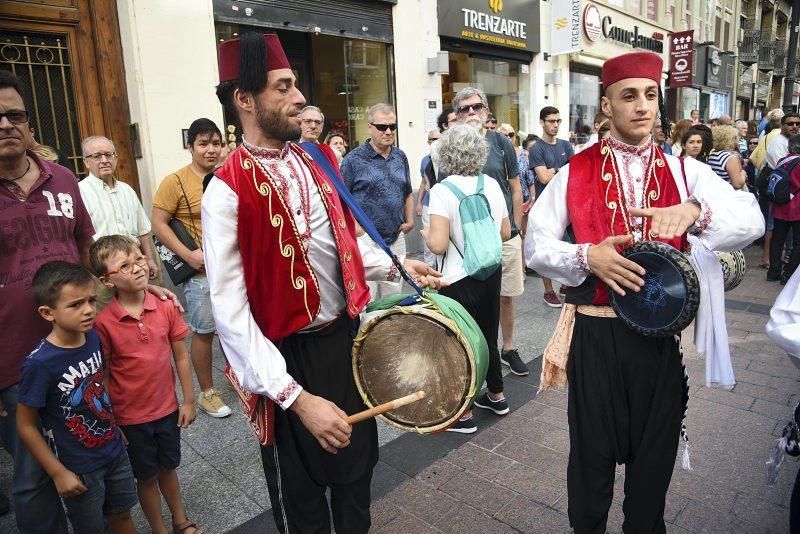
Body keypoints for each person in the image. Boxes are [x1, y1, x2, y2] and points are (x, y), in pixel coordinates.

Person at [206, 32, 444, 533]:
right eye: (283, 87)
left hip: (344, 341)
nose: (299, 99)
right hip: (284, 359)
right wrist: (295, 397)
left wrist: (392, 268)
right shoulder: (225, 191)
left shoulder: (318, 159)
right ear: (244, 100)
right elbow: (231, 315)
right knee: (303, 498)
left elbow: (338, 246)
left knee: (357, 480)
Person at [526, 51, 763, 533]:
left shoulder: (684, 172)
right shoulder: (577, 169)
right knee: (590, 469)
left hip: (657, 346)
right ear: (607, 105)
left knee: (653, 470)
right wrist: (586, 256)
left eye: (650, 95)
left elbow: (752, 218)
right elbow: (535, 243)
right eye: (628, 95)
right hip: (596, 341)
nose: (642, 106)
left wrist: (696, 211)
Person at [0, 69, 92, 532]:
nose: (4, 124)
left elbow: (86, 249)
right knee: (33, 476)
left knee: (88, 448)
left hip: (78, 352)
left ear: (29, 123)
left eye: (14, 114)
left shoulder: (62, 179)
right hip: (14, 365)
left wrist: (128, 285)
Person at [90, 236, 201, 534]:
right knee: (147, 476)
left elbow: (180, 355)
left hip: (166, 409)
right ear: (107, 280)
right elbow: (106, 376)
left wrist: (188, 400)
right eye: (124, 266)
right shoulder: (103, 323)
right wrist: (114, 420)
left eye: (139, 259)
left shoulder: (164, 306)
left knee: (169, 468)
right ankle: (159, 529)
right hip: (131, 418)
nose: (137, 267)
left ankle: (180, 520)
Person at [17, 261, 137, 534]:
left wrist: (113, 424)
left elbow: (98, 385)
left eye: (92, 300)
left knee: (122, 513)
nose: (88, 310)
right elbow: (25, 425)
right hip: (80, 466)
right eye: (75, 305)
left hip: (114, 450)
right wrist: (58, 472)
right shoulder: (39, 364)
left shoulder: (92, 338)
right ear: (48, 313)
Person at [422, 124, 511, 433]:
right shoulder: (491, 184)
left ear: (446, 155)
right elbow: (504, 233)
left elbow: (437, 245)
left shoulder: (442, 191)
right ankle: (497, 396)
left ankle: (464, 413)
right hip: (489, 270)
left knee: (460, 341)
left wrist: (424, 232)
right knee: (488, 333)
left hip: (457, 278)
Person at [152, 118, 232, 419]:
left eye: (215, 143)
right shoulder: (175, 181)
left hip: (231, 270)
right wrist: (188, 255)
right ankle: (207, 393)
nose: (210, 150)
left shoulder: (227, 176)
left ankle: (239, 380)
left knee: (234, 328)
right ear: (191, 147)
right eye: (203, 143)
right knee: (204, 332)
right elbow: (157, 224)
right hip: (200, 275)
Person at [453, 86, 528, 378]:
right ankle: (479, 351)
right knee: (473, 297)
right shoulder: (451, 145)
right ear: (457, 115)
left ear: (486, 111)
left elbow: (516, 187)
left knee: (506, 295)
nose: (471, 112)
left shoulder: (501, 143)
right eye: (464, 108)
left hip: (504, 234)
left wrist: (517, 229)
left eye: (476, 107)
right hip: (467, 239)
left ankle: (508, 348)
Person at [341, 103, 413, 300]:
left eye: (392, 126)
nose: (388, 131)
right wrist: (357, 230)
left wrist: (410, 220)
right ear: (370, 127)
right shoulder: (353, 160)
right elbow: (340, 200)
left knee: (393, 298)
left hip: (396, 238)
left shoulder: (400, 156)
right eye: (382, 127)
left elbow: (407, 191)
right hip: (366, 241)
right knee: (368, 298)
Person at [78, 135, 159, 308]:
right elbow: (81, 241)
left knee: (140, 315)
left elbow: (143, 229)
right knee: (108, 323)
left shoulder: (127, 190)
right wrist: (101, 273)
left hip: (135, 268)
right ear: (86, 162)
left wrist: (150, 260)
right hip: (102, 275)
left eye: (109, 154)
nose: (104, 160)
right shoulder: (79, 192)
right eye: (97, 156)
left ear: (115, 157)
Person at [529, 105, 575, 308]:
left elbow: (574, 173)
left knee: (569, 245)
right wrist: (561, 169)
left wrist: (554, 171)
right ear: (542, 122)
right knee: (545, 247)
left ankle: (565, 284)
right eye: (551, 121)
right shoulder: (537, 148)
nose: (555, 125)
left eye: (558, 121)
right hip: (544, 206)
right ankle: (548, 290)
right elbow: (543, 177)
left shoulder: (566, 145)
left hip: (567, 204)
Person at [765, 114, 800, 281]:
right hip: (796, 209)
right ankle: (788, 274)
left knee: (777, 240)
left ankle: (774, 271)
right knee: (797, 244)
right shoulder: (798, 163)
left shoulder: (783, 161)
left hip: (780, 207)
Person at [416, 129, 441, 267]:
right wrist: (419, 202)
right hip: (428, 204)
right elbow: (423, 182)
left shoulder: (447, 158)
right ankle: (429, 266)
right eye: (433, 139)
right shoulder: (425, 160)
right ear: (428, 142)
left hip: (443, 205)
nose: (436, 142)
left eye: (438, 139)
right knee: (428, 235)